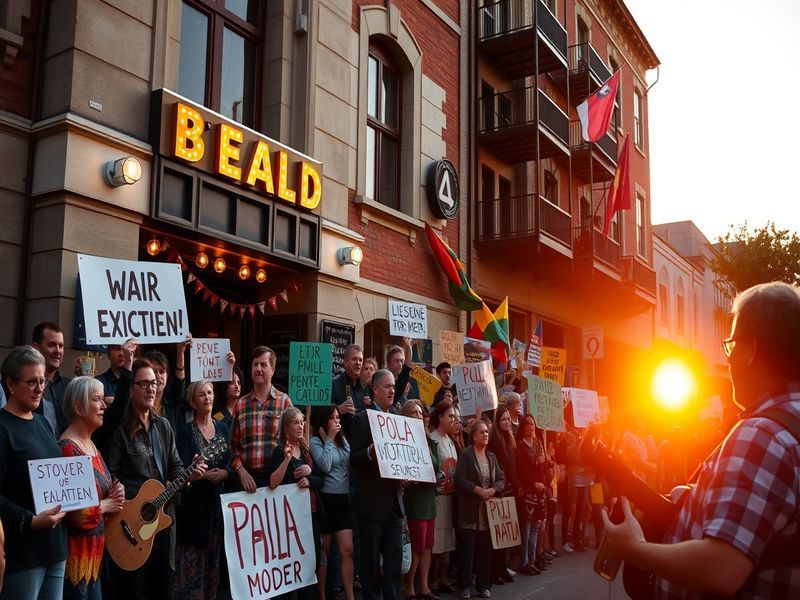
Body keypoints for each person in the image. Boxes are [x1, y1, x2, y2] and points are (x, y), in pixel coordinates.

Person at [602, 281, 800, 598]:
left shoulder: (762, 434)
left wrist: (633, 547)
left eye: (731, 345)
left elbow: (721, 569)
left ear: (753, 350)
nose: (729, 359)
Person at [107, 358, 207, 600]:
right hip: (129, 525)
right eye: (144, 383)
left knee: (163, 591)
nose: (152, 388)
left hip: (161, 524)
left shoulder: (163, 426)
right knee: (133, 592)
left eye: (154, 383)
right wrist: (124, 499)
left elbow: (176, 468)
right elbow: (109, 473)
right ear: (131, 388)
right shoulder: (120, 427)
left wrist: (189, 476)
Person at [0, 346, 67, 600]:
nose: (39, 388)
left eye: (42, 381)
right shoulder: (3, 429)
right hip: (23, 553)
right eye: (31, 382)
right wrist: (29, 520)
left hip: (55, 549)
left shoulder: (41, 422)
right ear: (10, 383)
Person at [58, 376, 126, 600]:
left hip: (94, 557)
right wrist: (106, 505)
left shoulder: (91, 443)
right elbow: (74, 512)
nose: (104, 405)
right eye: (97, 399)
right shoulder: (68, 448)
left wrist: (116, 492)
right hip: (75, 559)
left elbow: (102, 488)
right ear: (78, 407)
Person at [174, 379, 232, 600]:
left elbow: (230, 460)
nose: (207, 397)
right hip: (193, 507)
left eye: (210, 393)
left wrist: (226, 473)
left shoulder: (224, 428)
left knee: (212, 566)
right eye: (201, 394)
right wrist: (205, 475)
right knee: (191, 566)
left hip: (216, 508)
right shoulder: (185, 431)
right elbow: (181, 467)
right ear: (193, 401)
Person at [350, 369, 405, 600]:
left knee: (394, 564)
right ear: (375, 390)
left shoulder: (398, 419)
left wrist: (406, 473)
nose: (392, 390)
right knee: (370, 566)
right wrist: (370, 453)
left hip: (394, 505)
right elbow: (353, 458)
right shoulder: (362, 418)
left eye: (393, 386)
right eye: (387, 386)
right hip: (371, 506)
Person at [270, 407, 322, 600]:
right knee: (290, 569)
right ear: (286, 428)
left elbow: (320, 480)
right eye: (296, 423)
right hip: (289, 521)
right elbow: (273, 483)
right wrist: (287, 459)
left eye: (302, 422)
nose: (301, 426)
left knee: (310, 568)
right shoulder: (279, 451)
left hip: (311, 515)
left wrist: (310, 477)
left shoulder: (307, 450)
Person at [455, 419, 505, 600]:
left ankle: (484, 585)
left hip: (487, 513)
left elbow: (501, 478)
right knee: (467, 552)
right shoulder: (466, 455)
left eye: (487, 432)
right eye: (482, 432)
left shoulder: (492, 457)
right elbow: (459, 479)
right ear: (474, 436)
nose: (485, 435)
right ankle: (465, 586)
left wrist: (493, 489)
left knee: (485, 551)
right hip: (469, 511)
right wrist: (478, 490)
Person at [231, 346, 293, 492]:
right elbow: (233, 447)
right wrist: (241, 471)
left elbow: (295, 440)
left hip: (278, 481)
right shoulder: (240, 404)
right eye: (255, 364)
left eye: (263, 364)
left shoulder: (284, 402)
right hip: (248, 483)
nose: (258, 368)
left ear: (273, 369)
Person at [310, 405, 354, 600]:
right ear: (324, 421)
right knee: (325, 553)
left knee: (347, 549)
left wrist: (337, 438)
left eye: (338, 417)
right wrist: (328, 438)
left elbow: (350, 460)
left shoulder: (342, 441)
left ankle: (351, 595)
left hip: (343, 499)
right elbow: (325, 465)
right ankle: (321, 595)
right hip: (326, 500)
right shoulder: (315, 441)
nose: (337, 421)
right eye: (332, 418)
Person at [400, 400, 439, 600]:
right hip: (414, 499)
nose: (418, 416)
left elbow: (435, 464)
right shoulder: (402, 440)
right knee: (417, 546)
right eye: (414, 413)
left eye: (420, 413)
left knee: (428, 545)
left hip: (429, 497)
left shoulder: (428, 439)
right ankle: (409, 587)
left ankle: (424, 586)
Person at [429, 401, 458, 594]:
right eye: (450, 416)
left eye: (455, 417)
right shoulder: (432, 439)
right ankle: (432, 580)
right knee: (437, 539)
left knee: (448, 538)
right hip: (437, 496)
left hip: (450, 496)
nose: (454, 420)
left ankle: (443, 577)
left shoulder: (450, 440)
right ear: (440, 417)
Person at [488, 407, 518, 585]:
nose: (507, 422)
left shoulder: (509, 440)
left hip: (510, 490)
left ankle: (502, 567)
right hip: (498, 490)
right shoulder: (493, 441)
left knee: (506, 535)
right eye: (503, 420)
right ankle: (495, 571)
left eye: (508, 419)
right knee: (497, 535)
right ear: (497, 422)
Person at [515, 414, 547, 575]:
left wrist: (542, 462)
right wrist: (533, 484)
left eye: (533, 423)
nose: (531, 426)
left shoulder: (537, 444)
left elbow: (543, 469)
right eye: (527, 424)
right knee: (526, 529)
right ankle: (524, 562)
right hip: (528, 493)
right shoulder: (520, 446)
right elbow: (522, 470)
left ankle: (533, 561)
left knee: (536, 527)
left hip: (539, 492)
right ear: (523, 427)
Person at [31, 322, 71, 436]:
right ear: (35, 348)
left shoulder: (69, 386)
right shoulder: (23, 387)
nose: (58, 351)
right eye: (52, 345)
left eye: (61, 346)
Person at [331, 344, 367, 438]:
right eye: (354, 359)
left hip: (360, 440)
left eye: (360, 360)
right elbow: (321, 413)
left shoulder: (366, 387)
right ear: (345, 362)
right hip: (340, 441)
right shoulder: (334, 385)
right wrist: (338, 410)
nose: (358, 363)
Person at [212, 364, 244, 432]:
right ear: (225, 386)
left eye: (239, 383)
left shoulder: (245, 409)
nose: (237, 386)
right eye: (232, 383)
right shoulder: (217, 413)